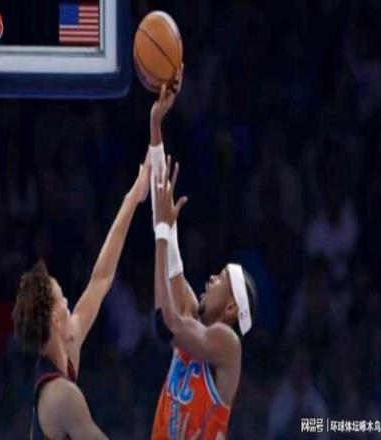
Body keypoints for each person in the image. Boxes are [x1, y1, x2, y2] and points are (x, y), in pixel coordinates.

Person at [148, 79, 258, 439]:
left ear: (231, 308)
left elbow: (168, 324)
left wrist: (163, 232)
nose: (210, 278)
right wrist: (156, 127)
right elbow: (161, 206)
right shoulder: (191, 314)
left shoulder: (228, 346)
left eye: (219, 279)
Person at [11, 161, 150, 440]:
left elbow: (101, 279)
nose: (69, 303)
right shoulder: (60, 396)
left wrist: (133, 197)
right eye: (62, 299)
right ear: (54, 319)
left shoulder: (65, 349)